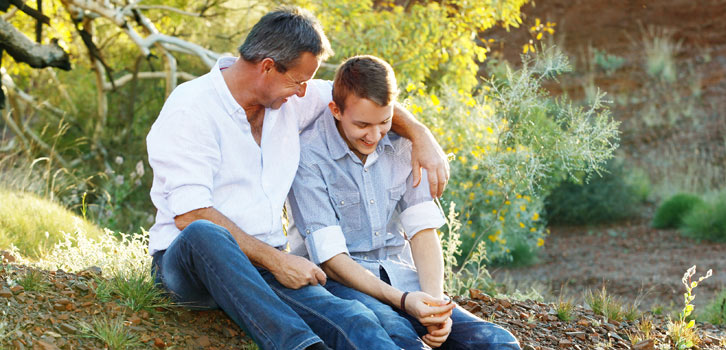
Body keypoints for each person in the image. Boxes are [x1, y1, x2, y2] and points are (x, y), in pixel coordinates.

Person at [146, 8, 450, 350]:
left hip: (263, 264)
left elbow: (363, 104)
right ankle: (301, 346)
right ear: (267, 67)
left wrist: (421, 136)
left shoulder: (288, 100)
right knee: (206, 233)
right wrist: (279, 260)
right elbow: (191, 215)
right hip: (189, 267)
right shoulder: (191, 109)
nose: (305, 92)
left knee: (356, 319)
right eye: (299, 81)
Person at [287, 55, 520, 350]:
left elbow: (423, 231)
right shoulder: (308, 155)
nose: (374, 135)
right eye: (362, 125)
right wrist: (405, 302)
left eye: (384, 122)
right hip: (345, 284)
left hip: (402, 276)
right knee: (398, 334)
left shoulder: (403, 144)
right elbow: (332, 261)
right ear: (336, 110)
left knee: (499, 342)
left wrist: (435, 306)